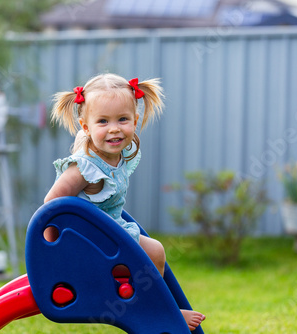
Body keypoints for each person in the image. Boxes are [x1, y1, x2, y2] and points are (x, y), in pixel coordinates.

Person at [44, 73, 205, 331]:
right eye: (103, 121)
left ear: (135, 120)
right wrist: (52, 248)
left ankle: (156, 307)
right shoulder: (85, 167)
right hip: (91, 244)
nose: (114, 128)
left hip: (111, 234)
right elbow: (52, 206)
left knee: (155, 251)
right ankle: (158, 310)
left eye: (122, 119)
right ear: (86, 127)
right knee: (154, 251)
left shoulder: (114, 155)